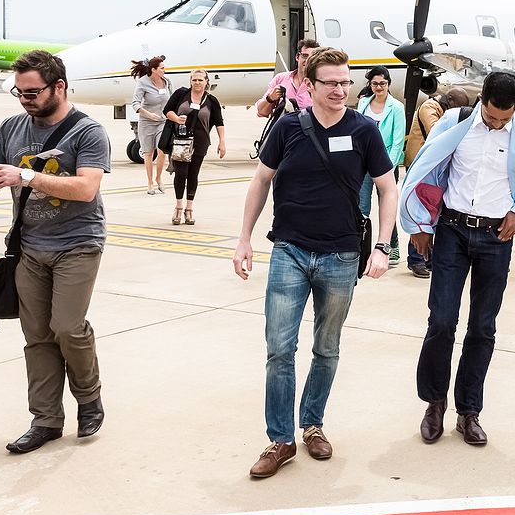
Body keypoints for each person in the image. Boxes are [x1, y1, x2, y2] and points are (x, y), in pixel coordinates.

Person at [233, 47, 397, 480]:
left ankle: (312, 424)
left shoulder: (364, 130)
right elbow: (260, 181)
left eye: (346, 82)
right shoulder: (288, 128)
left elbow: (387, 188)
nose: (342, 90)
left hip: (342, 255)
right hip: (289, 250)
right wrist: (244, 238)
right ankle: (280, 439)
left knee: (327, 348)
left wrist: (382, 246)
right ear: (310, 85)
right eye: (332, 83)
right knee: (279, 350)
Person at [399, 71, 515, 446]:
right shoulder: (455, 123)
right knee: (441, 322)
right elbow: (426, 170)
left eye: (505, 119)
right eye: (491, 117)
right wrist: (421, 224)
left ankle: (469, 411)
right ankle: (434, 403)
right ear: (481, 100)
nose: (498, 123)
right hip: (452, 230)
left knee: (482, 327)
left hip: (496, 236)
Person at [0, 50, 113, 455]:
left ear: (59, 86)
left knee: (67, 327)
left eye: (33, 92)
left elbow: (87, 188)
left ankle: (89, 397)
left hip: (78, 242)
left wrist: (26, 174)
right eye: (19, 92)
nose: (25, 99)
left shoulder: (86, 132)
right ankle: (46, 420)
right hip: (28, 245)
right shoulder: (11, 127)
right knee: (37, 337)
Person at [401, 87, 471, 278]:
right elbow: (440, 133)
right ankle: (415, 260)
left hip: (436, 170)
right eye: (456, 109)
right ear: (448, 102)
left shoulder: (444, 109)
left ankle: (429, 258)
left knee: (436, 215)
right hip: (423, 172)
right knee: (421, 214)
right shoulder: (429, 107)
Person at [160, 69, 226, 225]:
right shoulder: (180, 94)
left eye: (200, 80)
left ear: (206, 81)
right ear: (190, 81)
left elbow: (219, 122)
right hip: (181, 141)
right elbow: (166, 111)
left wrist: (222, 141)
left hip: (200, 142)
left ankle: (189, 209)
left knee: (193, 174)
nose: (197, 83)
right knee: (181, 173)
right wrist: (176, 118)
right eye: (194, 80)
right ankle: (178, 206)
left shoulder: (212, 101)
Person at [356, 66, 406, 267]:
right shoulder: (363, 104)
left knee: (386, 205)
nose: (378, 87)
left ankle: (391, 247)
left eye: (382, 84)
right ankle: (362, 247)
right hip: (364, 164)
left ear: (388, 84)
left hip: (385, 164)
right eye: (375, 83)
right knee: (362, 207)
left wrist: (387, 166)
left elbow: (397, 141)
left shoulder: (396, 108)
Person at [128, 56, 170, 194]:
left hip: (163, 121)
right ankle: (150, 182)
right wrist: (148, 114)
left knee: (162, 149)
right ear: (154, 70)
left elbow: (172, 101)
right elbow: (135, 103)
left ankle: (159, 178)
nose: (165, 70)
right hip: (147, 122)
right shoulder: (143, 82)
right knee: (148, 153)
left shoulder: (167, 82)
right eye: (162, 68)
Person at [254, 38, 317, 119]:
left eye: (312, 57)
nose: (308, 60)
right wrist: (270, 98)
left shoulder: (319, 84)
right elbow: (261, 112)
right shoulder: (280, 79)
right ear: (297, 57)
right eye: (305, 56)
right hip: (285, 130)